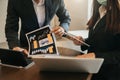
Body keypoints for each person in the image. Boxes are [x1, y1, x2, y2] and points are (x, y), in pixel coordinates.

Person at [73, 0, 120, 80]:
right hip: (94, 71)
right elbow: (102, 39)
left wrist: (96, 56)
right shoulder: (99, 11)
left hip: (110, 73)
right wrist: (84, 42)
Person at [5, 0, 71, 54]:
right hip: (26, 47)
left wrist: (62, 28)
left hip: (48, 44)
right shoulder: (15, 1)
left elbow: (65, 18)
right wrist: (14, 46)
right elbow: (11, 28)